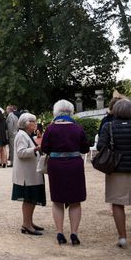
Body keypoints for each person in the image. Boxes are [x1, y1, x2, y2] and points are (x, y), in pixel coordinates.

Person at [97, 98, 131, 250]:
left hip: (115, 170)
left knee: (117, 204)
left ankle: (123, 238)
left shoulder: (108, 126)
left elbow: (101, 146)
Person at [40, 99, 90, 245]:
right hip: (75, 164)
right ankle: (74, 233)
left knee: (57, 200)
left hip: (56, 165)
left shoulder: (50, 129)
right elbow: (85, 149)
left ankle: (60, 232)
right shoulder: (77, 128)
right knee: (75, 200)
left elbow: (45, 148)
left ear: (56, 112)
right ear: (71, 111)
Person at [11, 113, 46, 236]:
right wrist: (36, 149)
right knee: (29, 199)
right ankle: (26, 224)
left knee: (32, 199)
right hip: (26, 175)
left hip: (30, 173)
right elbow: (21, 153)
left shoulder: (26, 134)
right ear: (26, 123)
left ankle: (29, 222)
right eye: (33, 121)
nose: (35, 124)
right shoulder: (21, 135)